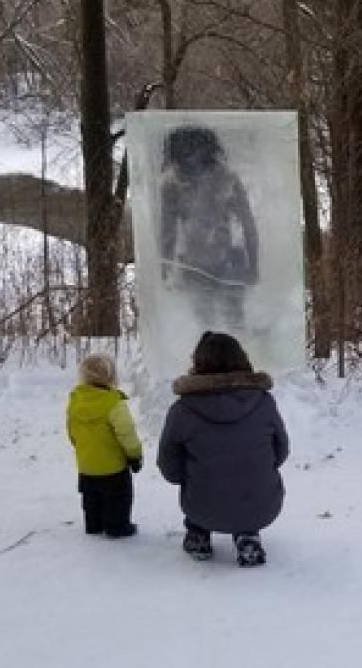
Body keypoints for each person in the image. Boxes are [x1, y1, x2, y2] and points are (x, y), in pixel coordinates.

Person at [156, 332, 289, 567]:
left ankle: (198, 534)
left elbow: (169, 464)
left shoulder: (182, 409)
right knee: (243, 484)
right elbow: (281, 450)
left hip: (201, 505)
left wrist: (185, 478)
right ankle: (248, 534)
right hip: (261, 505)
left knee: (202, 487)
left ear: (198, 363)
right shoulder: (263, 402)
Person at [158, 125, 259, 329]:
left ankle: (236, 353)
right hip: (196, 266)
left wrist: (253, 264)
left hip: (227, 262)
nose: (191, 160)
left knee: (232, 323)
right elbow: (167, 232)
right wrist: (164, 269)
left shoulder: (226, 179)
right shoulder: (172, 184)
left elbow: (248, 225)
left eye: (194, 153)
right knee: (208, 326)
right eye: (185, 154)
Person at [66, 354, 143, 538]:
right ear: (111, 376)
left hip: (86, 467)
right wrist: (134, 454)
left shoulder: (76, 400)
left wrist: (79, 447)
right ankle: (117, 526)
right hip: (113, 469)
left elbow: (71, 429)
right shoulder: (113, 403)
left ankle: (94, 524)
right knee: (118, 498)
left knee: (90, 498)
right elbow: (127, 432)